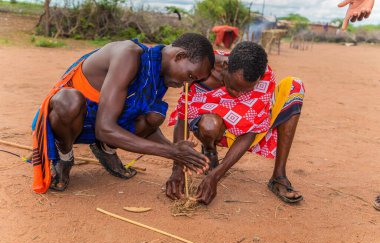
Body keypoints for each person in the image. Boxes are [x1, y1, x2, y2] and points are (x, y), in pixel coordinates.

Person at [31, 33, 215, 193]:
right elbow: (104, 128)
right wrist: (171, 151)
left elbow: (145, 126)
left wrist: (177, 151)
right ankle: (64, 156)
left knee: (154, 115)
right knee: (69, 102)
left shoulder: (157, 73)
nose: (187, 84)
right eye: (190, 76)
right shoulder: (129, 55)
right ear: (180, 56)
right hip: (73, 119)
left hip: (103, 120)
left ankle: (105, 148)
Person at [166, 42, 305, 205]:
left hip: (247, 129)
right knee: (210, 125)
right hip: (216, 129)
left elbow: (252, 130)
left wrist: (215, 176)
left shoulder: (264, 77)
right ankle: (210, 150)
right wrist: (177, 168)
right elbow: (183, 116)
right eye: (233, 87)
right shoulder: (201, 66)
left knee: (295, 86)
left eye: (246, 90)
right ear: (226, 66)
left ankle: (278, 176)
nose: (238, 94)